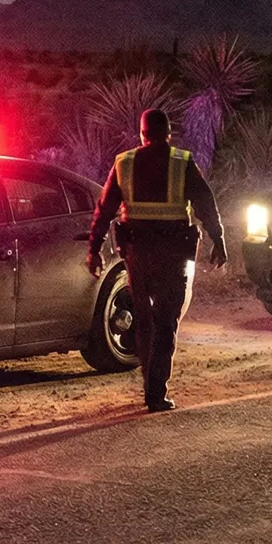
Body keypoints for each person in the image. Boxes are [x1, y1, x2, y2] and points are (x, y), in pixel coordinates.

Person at [87, 108, 227, 411]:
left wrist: (94, 247)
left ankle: (149, 386)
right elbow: (205, 202)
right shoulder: (182, 162)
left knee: (145, 322)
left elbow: (105, 208)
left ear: (142, 134)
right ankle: (155, 393)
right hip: (174, 254)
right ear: (168, 134)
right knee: (167, 322)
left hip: (138, 255)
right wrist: (219, 239)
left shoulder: (124, 163)